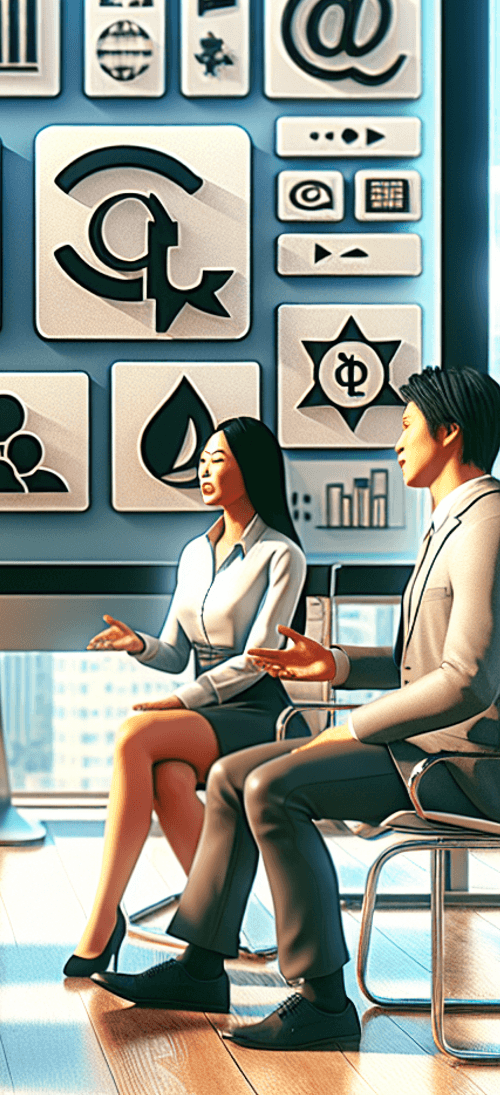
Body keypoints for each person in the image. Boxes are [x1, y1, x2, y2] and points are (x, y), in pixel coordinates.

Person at [94, 365, 500, 1052]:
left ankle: (323, 1001)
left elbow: (467, 681)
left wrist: (351, 728)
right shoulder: (449, 523)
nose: (396, 444)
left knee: (272, 786)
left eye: (406, 426)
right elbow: (422, 661)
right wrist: (337, 665)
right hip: (418, 747)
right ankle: (200, 967)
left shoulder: (486, 524)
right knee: (229, 777)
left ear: (450, 431)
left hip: (460, 764)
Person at [65, 416, 308, 978]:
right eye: (201, 459)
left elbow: (258, 658)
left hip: (258, 713)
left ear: (252, 469)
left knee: (134, 737)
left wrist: (182, 702)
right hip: (206, 709)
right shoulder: (194, 553)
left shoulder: (281, 555)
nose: (203, 468)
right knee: (169, 777)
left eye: (217, 458)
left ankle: (102, 923)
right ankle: (214, 925)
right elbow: (176, 651)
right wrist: (139, 645)